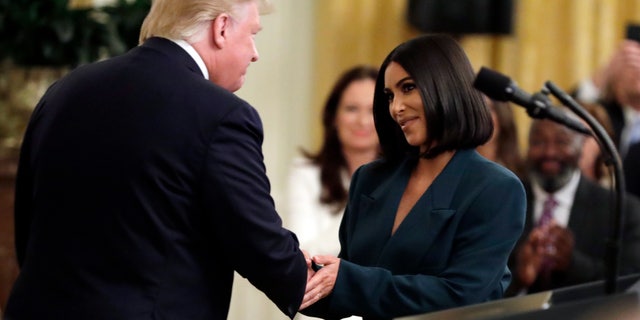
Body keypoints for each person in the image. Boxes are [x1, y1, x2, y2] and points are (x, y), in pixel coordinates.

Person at [5, 1, 310, 319]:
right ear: (221, 28)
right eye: (252, 34)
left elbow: (28, 224)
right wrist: (350, 288)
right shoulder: (223, 114)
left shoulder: (63, 90)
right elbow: (259, 246)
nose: (254, 52)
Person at [299, 34, 527, 319]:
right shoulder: (369, 179)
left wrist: (347, 281)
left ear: (445, 88)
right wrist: (305, 278)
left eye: (408, 88)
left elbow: (462, 296)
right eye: (390, 96)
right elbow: (344, 289)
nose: (396, 108)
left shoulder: (496, 188)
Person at [506, 118, 640, 295]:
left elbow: (630, 282)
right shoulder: (506, 201)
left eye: (562, 142)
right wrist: (518, 279)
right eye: (539, 142)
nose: (549, 152)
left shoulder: (622, 209)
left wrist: (572, 264)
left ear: (580, 148)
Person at [286, 65, 379, 257]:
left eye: (372, 111)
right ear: (334, 117)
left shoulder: (406, 174)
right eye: (352, 109)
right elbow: (302, 254)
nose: (362, 121)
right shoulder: (305, 173)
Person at [574, 39, 640, 198]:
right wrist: (602, 76)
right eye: (631, 66)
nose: (637, 72)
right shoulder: (605, 114)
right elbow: (565, 115)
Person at [476, 98, 525, 178]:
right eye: (477, 109)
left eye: (489, 108)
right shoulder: (456, 167)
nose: (482, 116)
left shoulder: (520, 171)